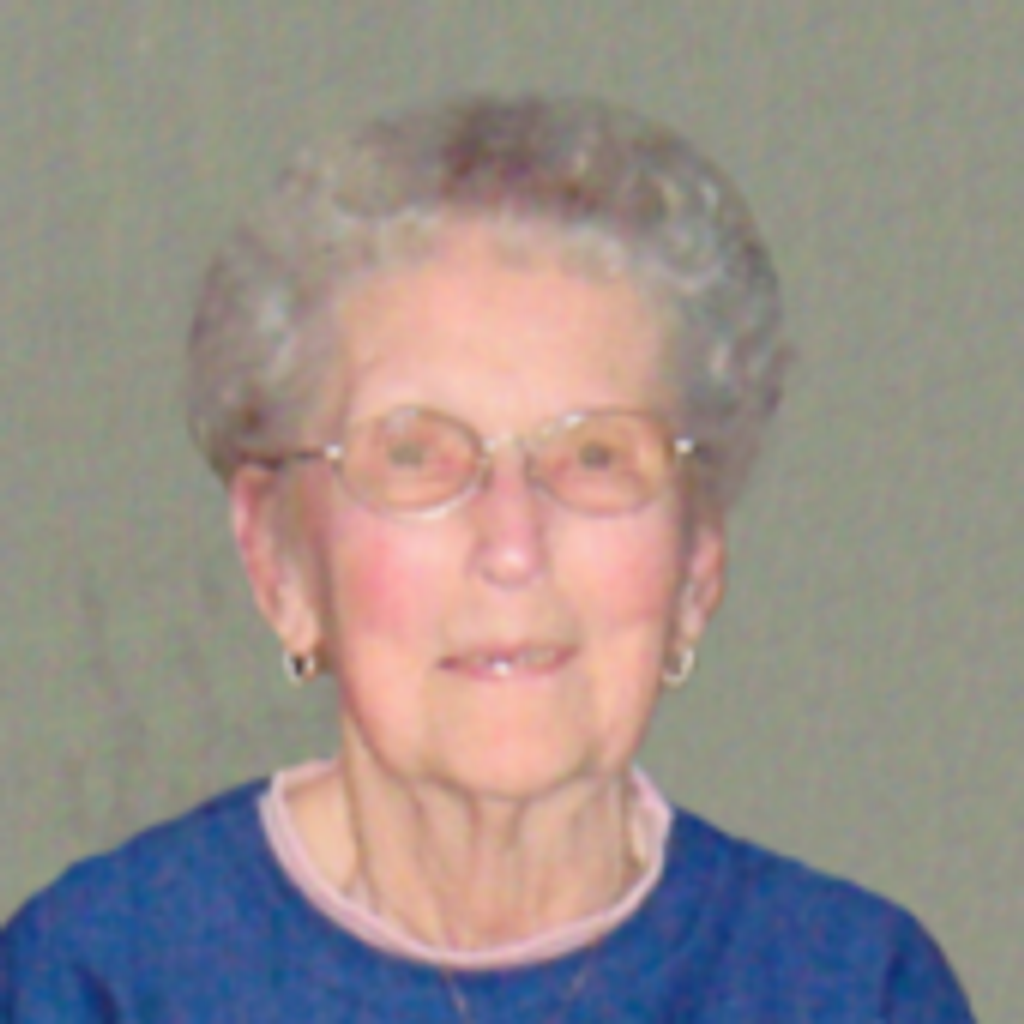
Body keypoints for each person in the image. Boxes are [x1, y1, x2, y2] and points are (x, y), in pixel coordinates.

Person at [1, 95, 974, 1021]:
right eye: (415, 456)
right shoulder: (98, 983)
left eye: (595, 456)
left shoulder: (850, 989)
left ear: (696, 558)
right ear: (277, 559)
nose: (513, 544)